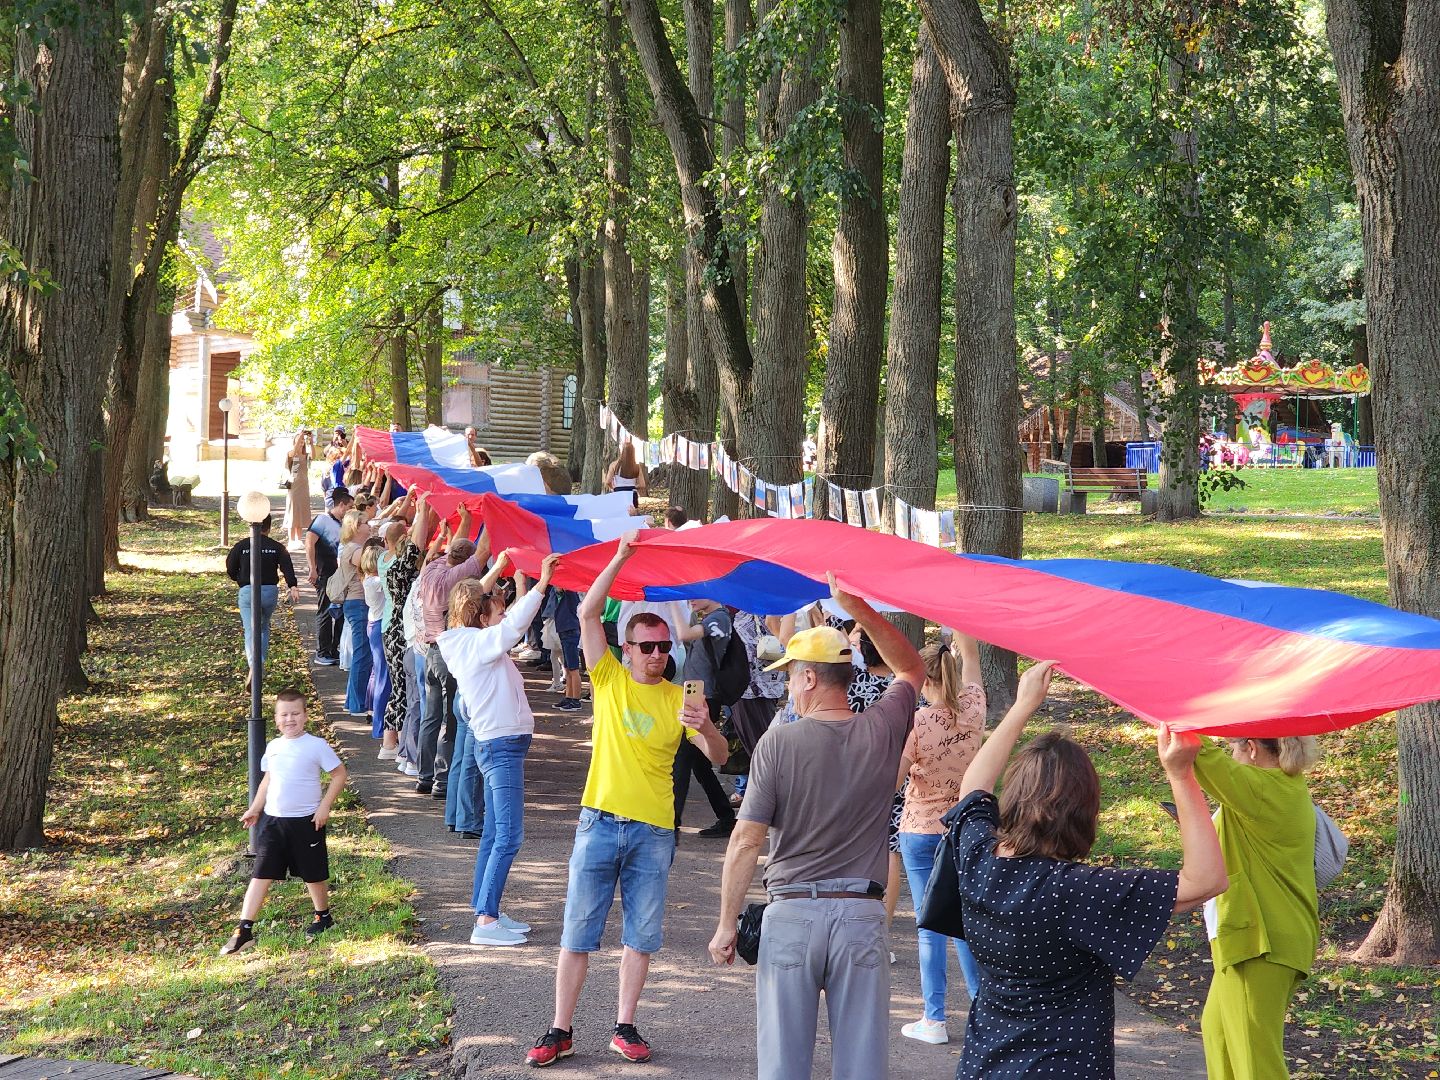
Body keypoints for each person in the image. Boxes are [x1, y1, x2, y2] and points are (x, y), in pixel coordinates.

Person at [947, 663, 1227, 1080]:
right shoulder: (1076, 891)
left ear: (1015, 795)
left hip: (984, 1065)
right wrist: (1179, 773)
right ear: (1085, 812)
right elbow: (1207, 881)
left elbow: (972, 789)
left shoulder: (978, 860)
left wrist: (1023, 706)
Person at [707, 576, 924, 1080]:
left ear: (807, 678)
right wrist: (860, 608)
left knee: (782, 1065)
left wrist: (726, 924)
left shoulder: (777, 745)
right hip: (860, 918)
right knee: (863, 1065)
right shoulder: (883, 727)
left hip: (792, 918)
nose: (787, 686)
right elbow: (911, 667)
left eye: (789, 676)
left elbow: (745, 841)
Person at [526, 534, 727, 1068]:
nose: (660, 655)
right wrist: (621, 557)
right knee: (578, 932)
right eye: (649, 646)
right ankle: (559, 1029)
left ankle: (624, 1026)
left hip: (655, 831)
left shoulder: (682, 696)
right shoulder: (608, 677)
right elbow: (590, 612)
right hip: (599, 820)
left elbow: (722, 756)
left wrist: (706, 727)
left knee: (641, 935)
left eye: (665, 647)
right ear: (628, 648)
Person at [439, 552, 560, 946]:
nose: (501, 611)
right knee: (509, 835)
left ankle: (486, 909)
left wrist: (520, 578)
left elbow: (507, 625)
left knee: (494, 835)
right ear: (479, 615)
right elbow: (512, 629)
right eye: (494, 607)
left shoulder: (472, 643)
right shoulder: (475, 645)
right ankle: (486, 923)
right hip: (500, 748)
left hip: (501, 745)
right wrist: (541, 584)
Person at [1194, 735, 1321, 1080]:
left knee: (1256, 1063)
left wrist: (1173, 708)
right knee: (1218, 1031)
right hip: (1255, 938)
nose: (1229, 755)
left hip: (1262, 942)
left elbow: (1202, 758)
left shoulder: (1264, 789)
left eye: (1232, 748)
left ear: (1251, 749)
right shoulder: (1282, 787)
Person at [894, 639, 985, 1044]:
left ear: (922, 678)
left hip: (920, 829)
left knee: (929, 927)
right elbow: (974, 665)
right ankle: (985, 1009)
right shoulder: (974, 711)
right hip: (965, 831)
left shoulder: (916, 723)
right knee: (965, 924)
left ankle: (934, 1019)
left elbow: (892, 781)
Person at [220, 689, 348, 955]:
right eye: (284, 715)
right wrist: (255, 808)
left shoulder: (316, 745)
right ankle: (244, 930)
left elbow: (339, 775)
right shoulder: (274, 747)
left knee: (313, 873)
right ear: (276, 719)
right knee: (260, 874)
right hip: (273, 822)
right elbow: (268, 780)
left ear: (305, 716)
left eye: (295, 714)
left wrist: (325, 807)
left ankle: (322, 916)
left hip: (306, 821)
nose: (290, 719)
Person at [414, 501, 486, 797]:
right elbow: (482, 553)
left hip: (429, 651)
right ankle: (443, 780)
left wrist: (466, 520)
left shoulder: (433, 568)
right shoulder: (457, 580)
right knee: (452, 717)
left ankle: (424, 775)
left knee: (431, 717)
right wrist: (496, 520)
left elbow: (459, 550)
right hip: (449, 654)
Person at [674, 598, 739, 838]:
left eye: (695, 593)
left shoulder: (719, 619)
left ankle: (670, 824)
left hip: (705, 698)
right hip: (698, 694)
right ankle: (725, 816)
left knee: (682, 758)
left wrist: (670, 598)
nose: (689, 598)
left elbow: (683, 634)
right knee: (698, 764)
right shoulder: (710, 618)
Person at [225, 515, 299, 694]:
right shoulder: (276, 547)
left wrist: (240, 580)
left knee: (251, 629)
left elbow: (230, 567)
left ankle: (254, 666)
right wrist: (292, 585)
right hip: (269, 592)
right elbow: (287, 566)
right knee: (263, 627)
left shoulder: (241, 546)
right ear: (269, 527)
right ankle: (259, 664)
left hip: (248, 591)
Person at [306, 488, 354, 666]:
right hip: (324, 573)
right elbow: (309, 543)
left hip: (339, 575)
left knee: (339, 613)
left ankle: (334, 649)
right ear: (340, 505)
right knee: (325, 612)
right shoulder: (322, 520)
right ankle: (322, 651)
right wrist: (312, 568)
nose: (350, 510)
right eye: (349, 507)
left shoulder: (343, 524)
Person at [333, 510, 373, 715]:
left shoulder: (353, 548)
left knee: (362, 653)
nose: (370, 525)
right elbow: (373, 566)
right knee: (362, 654)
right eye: (366, 522)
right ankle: (358, 703)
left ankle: (353, 701)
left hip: (356, 603)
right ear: (356, 526)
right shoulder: (356, 550)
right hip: (358, 603)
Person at [360, 539, 391, 745]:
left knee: (378, 673)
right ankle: (379, 726)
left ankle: (375, 715)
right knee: (382, 676)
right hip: (380, 626)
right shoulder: (375, 582)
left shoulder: (368, 581)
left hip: (374, 625)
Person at [285, 428, 314, 549]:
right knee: (293, 511)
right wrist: (300, 434)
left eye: (303, 440)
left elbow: (314, 455)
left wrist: (311, 442)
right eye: (299, 440)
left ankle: (298, 539)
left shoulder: (305, 455)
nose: (301, 442)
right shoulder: (291, 454)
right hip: (294, 486)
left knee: (301, 512)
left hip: (304, 486)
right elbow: (295, 450)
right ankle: (291, 540)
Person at [603, 441, 647, 507]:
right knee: (632, 515)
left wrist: (613, 488)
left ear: (622, 451)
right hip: (632, 494)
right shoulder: (637, 467)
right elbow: (642, 485)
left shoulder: (614, 465)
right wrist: (632, 486)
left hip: (618, 493)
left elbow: (608, 481)